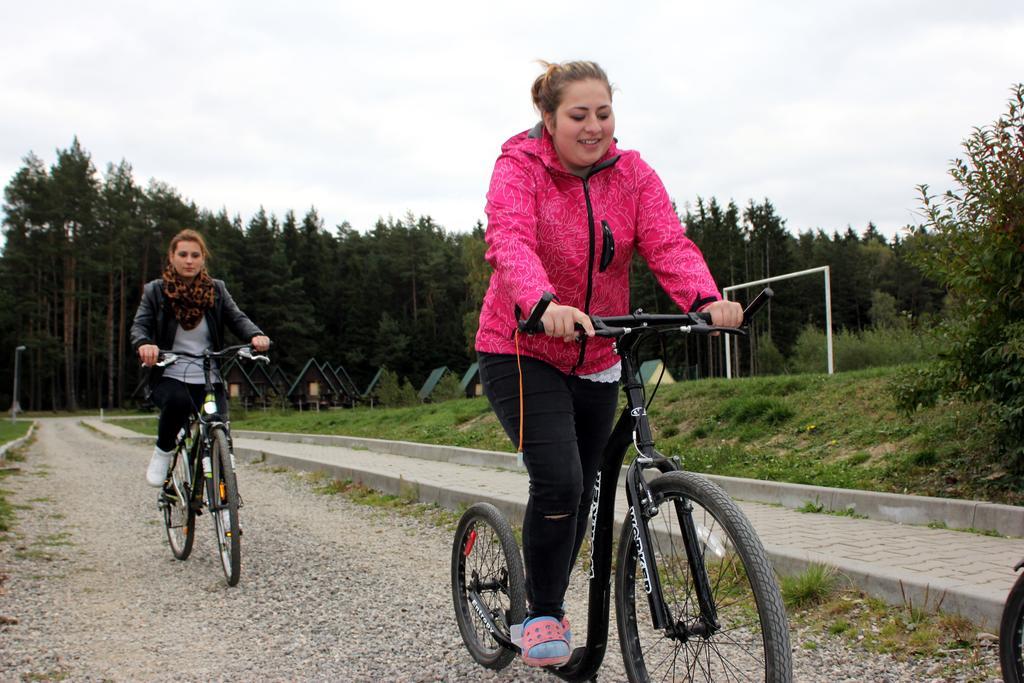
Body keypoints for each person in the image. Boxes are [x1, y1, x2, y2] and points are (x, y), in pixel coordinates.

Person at [474, 60, 743, 667]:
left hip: (599, 349)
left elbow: (668, 242)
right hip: (521, 346)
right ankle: (542, 613)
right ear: (548, 118)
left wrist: (704, 299)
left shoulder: (632, 173)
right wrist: (542, 303)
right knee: (562, 481)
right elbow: (509, 240)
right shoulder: (520, 166)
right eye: (578, 115)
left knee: (589, 487)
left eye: (604, 113)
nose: (594, 127)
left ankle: (576, 617)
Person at [130, 229, 270, 487]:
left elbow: (236, 318)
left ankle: (224, 499)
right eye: (183, 254)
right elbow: (140, 326)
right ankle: (163, 451)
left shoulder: (216, 290)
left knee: (219, 427)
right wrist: (145, 344)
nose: (189, 260)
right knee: (178, 401)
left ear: (203, 259)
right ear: (172, 257)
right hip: (170, 373)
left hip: (208, 376)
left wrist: (256, 336)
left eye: (195, 255)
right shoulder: (156, 291)